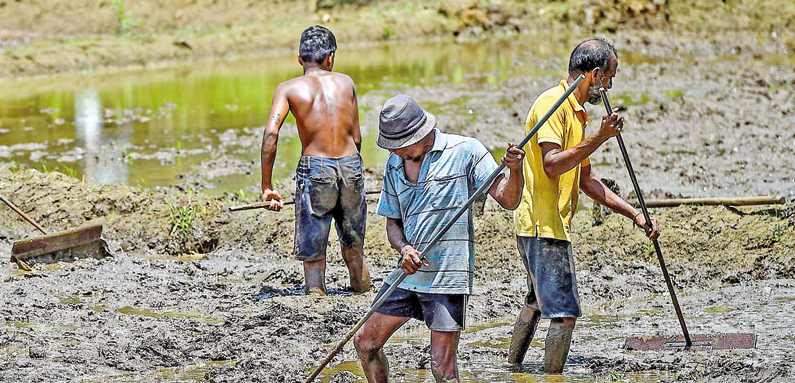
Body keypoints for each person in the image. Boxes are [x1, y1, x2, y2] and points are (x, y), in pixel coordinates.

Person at [507, 38, 661, 373]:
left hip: (544, 226)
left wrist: (635, 214)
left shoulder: (578, 115)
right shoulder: (554, 104)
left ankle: (512, 369)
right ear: (593, 75)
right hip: (541, 226)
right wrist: (601, 137)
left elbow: (586, 180)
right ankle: (552, 377)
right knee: (563, 313)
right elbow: (551, 164)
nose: (609, 86)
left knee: (535, 302)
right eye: (609, 77)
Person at [353, 95, 526, 382]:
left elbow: (509, 199)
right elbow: (393, 223)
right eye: (393, 148)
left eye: (401, 147)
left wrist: (515, 169)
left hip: (447, 275)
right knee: (365, 343)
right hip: (407, 274)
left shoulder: (466, 151)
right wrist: (403, 247)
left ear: (421, 133)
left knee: (442, 369)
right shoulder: (395, 164)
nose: (396, 153)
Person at [259, 25, 371, 295]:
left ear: (300, 59)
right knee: (354, 248)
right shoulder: (346, 82)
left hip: (316, 169)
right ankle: (363, 293)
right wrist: (351, 174)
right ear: (330, 58)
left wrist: (267, 185)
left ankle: (317, 301)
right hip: (350, 165)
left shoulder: (288, 88)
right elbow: (356, 138)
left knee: (314, 255)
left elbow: (271, 132)